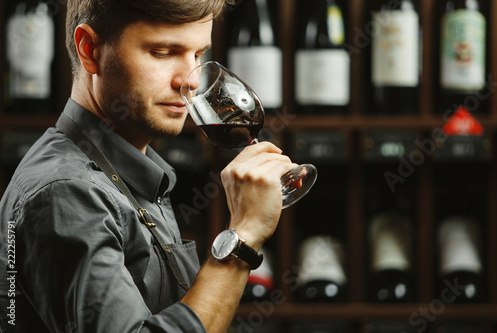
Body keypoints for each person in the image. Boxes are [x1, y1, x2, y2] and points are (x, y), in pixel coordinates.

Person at [0, 0, 296, 332]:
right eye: (163, 52)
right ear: (90, 50)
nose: (190, 83)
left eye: (197, 55)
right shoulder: (66, 192)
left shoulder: (129, 172)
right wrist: (244, 235)